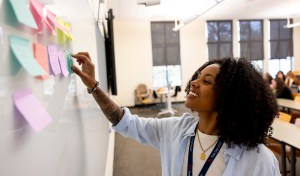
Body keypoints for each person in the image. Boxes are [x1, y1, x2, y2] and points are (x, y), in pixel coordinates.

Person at [71, 52, 280, 176]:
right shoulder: (173, 129)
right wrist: (93, 86)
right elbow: (124, 121)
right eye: (198, 76)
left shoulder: (260, 160)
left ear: (228, 98)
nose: (194, 82)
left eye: (206, 81)